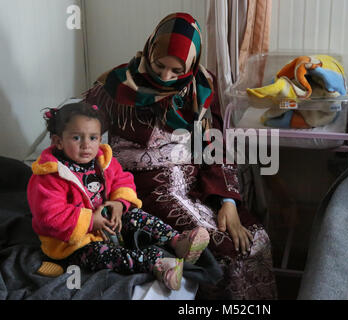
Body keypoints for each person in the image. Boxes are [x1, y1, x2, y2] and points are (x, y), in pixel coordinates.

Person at [84, 12, 277, 299]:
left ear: (191, 65)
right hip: (146, 189)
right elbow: (83, 134)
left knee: (255, 238)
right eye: (160, 66)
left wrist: (228, 203)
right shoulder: (115, 86)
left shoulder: (199, 88)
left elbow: (213, 146)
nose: (165, 77)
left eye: (176, 71)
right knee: (222, 249)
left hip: (196, 185)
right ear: (150, 49)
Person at [27, 102, 210, 291]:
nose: (86, 145)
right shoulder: (49, 176)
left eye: (93, 138)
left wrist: (119, 203)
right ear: (58, 141)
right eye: (76, 138)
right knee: (103, 255)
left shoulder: (102, 160)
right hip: (75, 242)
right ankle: (157, 263)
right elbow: (49, 217)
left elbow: (123, 181)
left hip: (110, 222)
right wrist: (90, 220)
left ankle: (176, 241)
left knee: (138, 215)